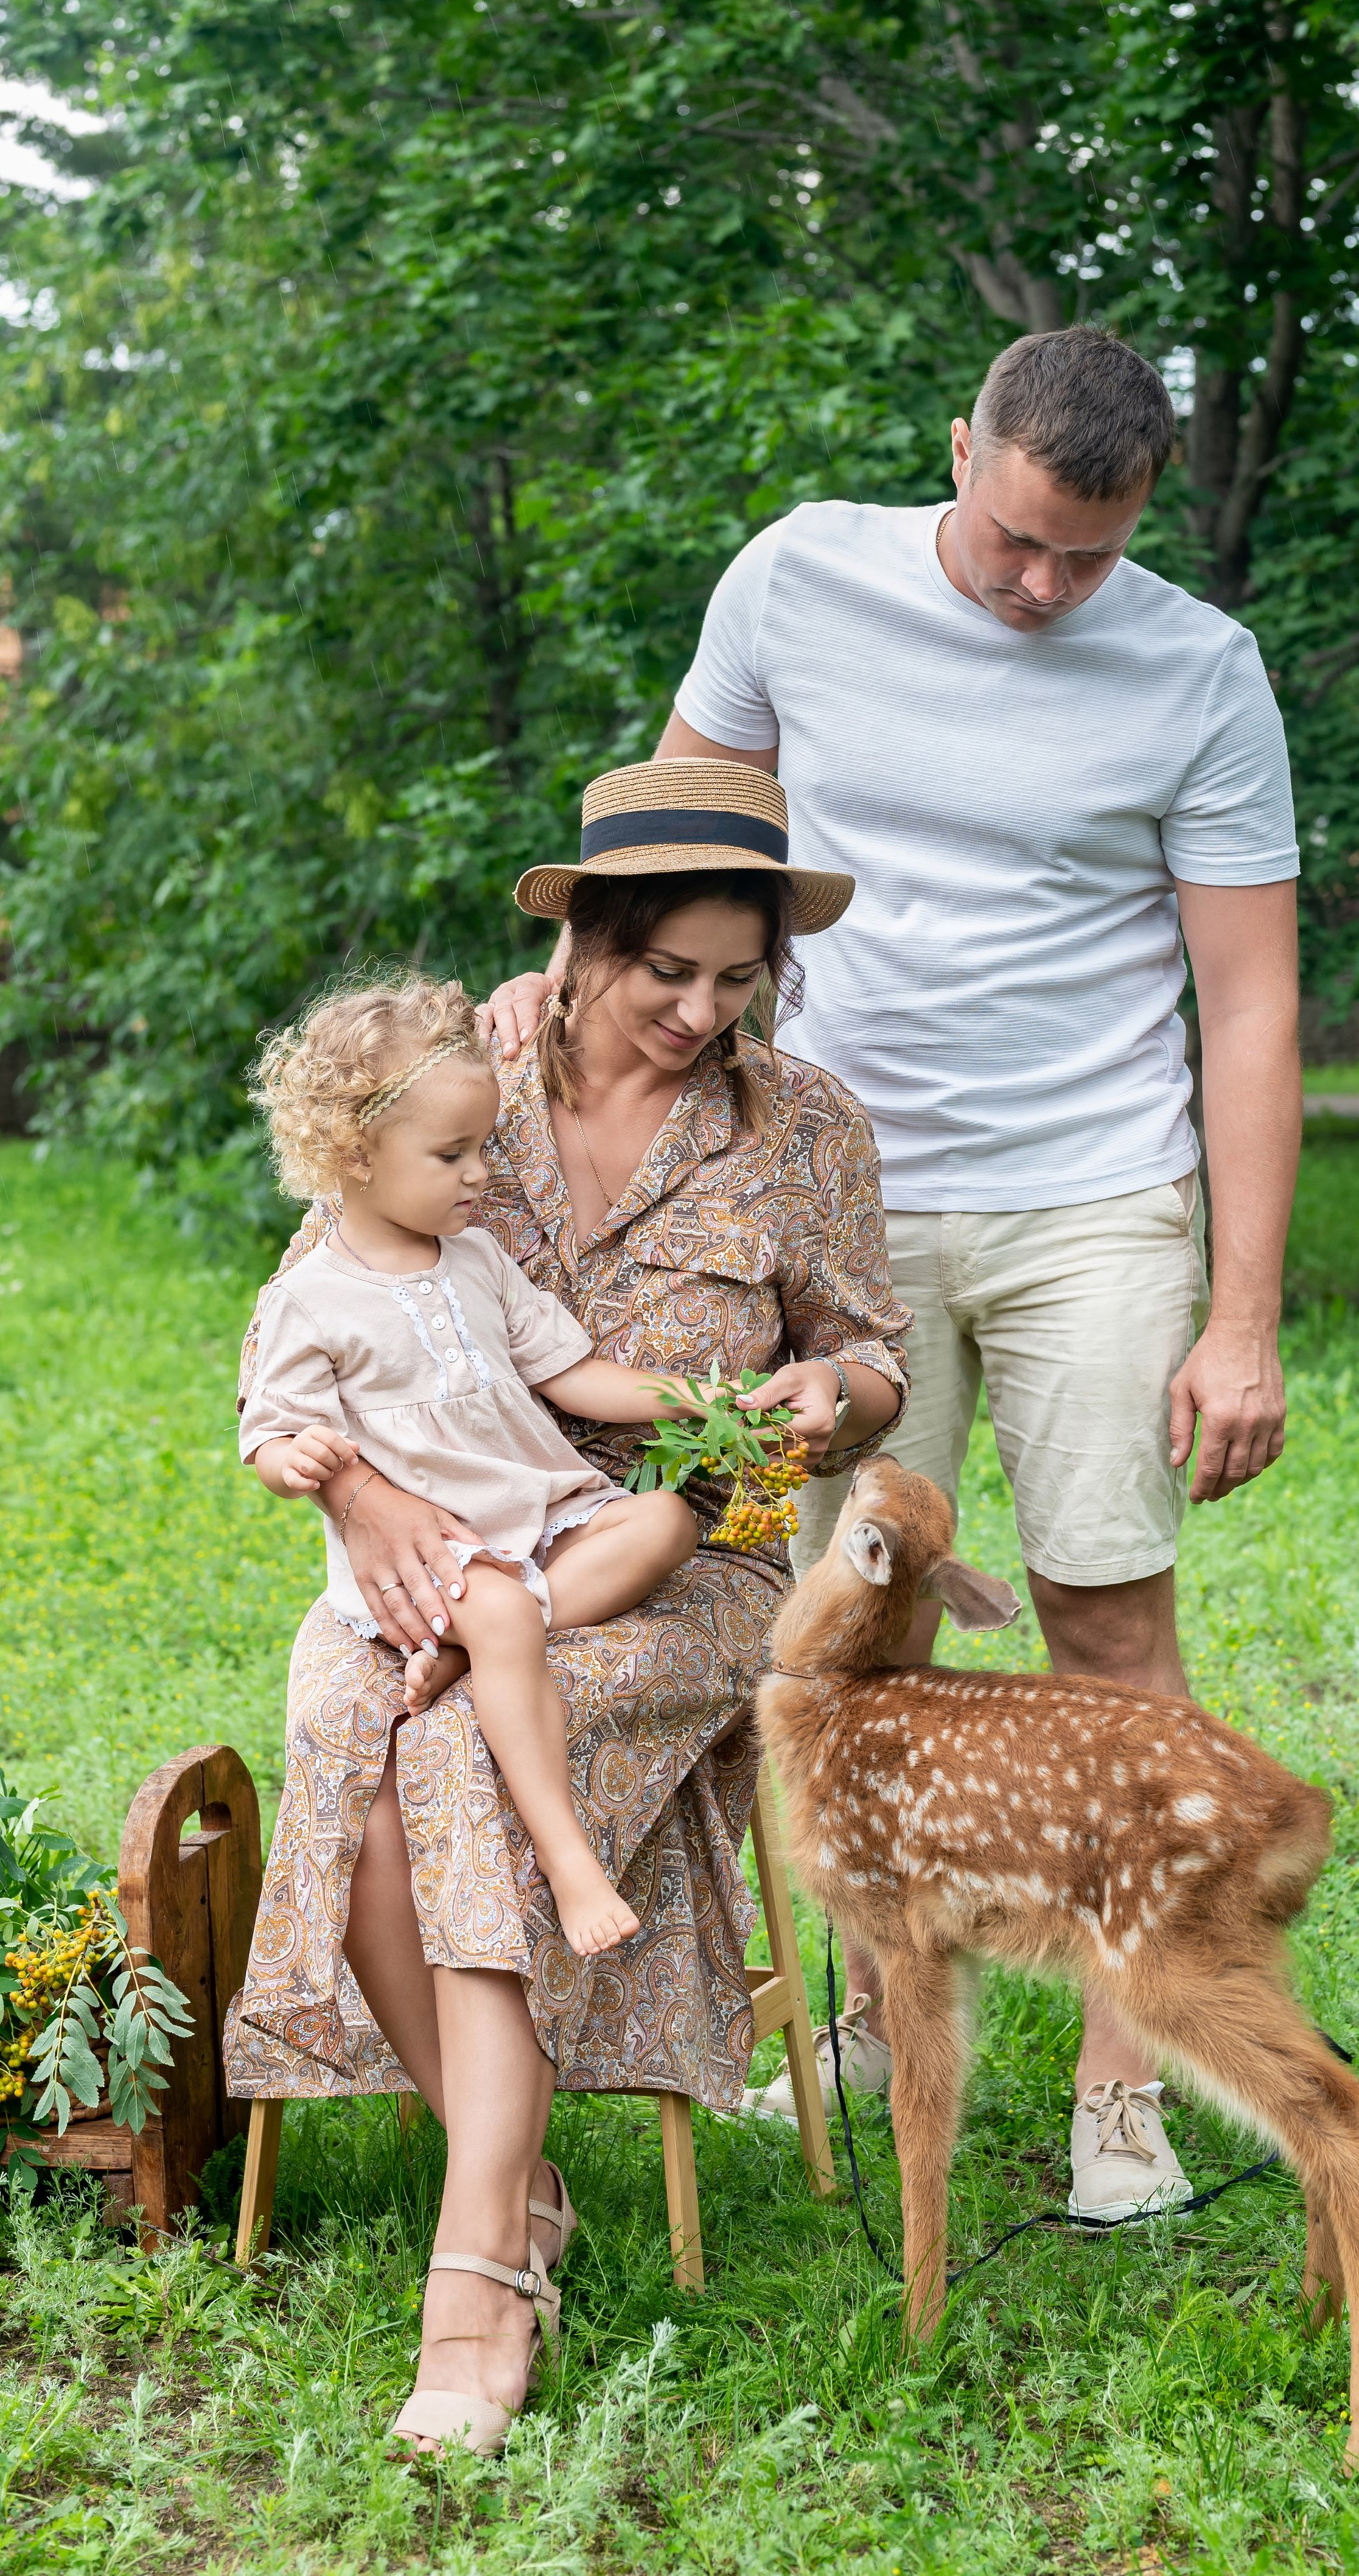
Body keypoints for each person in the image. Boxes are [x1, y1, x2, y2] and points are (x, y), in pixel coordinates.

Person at [484, 325, 1302, 2225]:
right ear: (961, 449)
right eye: (1014, 537)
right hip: (834, 1197)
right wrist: (566, 986)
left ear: (1139, 521)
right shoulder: (797, 575)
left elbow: (1249, 1003)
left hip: (1092, 1191)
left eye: (1083, 558)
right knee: (856, 1635)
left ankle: (1127, 2083)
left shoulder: (1198, 670)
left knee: (1103, 1624)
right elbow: (673, 843)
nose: (1039, 586)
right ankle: (865, 2018)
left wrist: (1242, 1314)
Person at [223, 760, 908, 2454]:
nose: (698, 1009)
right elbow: (320, 1299)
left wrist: (838, 1399)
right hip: (421, 1547)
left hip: (685, 1548)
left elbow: (870, 1348)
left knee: (454, 1749)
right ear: (585, 943)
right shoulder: (462, 1082)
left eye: (736, 976)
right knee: (358, 1724)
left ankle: (476, 2277)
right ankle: (517, 2184)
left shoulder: (801, 1126)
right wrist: (364, 1493)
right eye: (664, 968)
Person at [242, 972, 706, 1958]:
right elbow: (270, 1434)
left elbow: (575, 1374)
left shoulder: (479, 1263)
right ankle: (570, 1859)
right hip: (435, 1555)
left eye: (486, 1144)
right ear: (356, 1154)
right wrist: (301, 1459)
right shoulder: (309, 1299)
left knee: (664, 1520)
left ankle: (465, 1659)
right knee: (497, 1607)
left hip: (534, 1519)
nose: (482, 1171)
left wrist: (700, 1399)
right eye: (452, 1152)